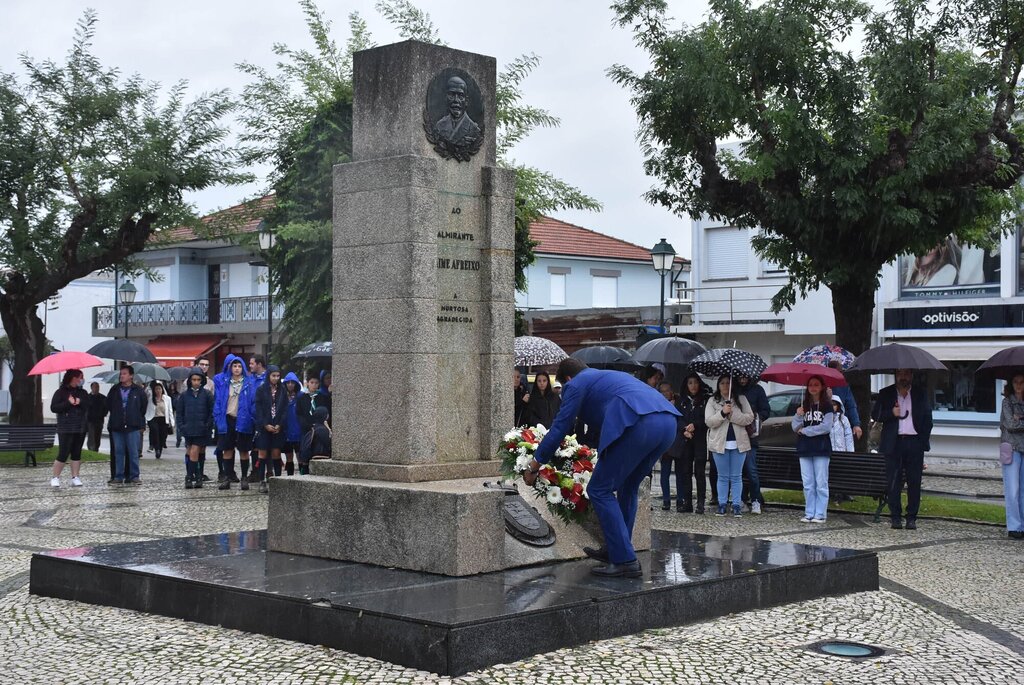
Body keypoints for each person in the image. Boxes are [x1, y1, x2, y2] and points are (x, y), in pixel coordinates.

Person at [522, 358, 680, 578]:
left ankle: (625, 560)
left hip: (639, 424)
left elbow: (560, 427)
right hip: (668, 423)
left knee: (599, 489)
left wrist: (535, 464)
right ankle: (617, 549)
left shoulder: (575, 385)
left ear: (567, 379)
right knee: (628, 486)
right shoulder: (604, 377)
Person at [872, 369, 934, 530]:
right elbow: (876, 414)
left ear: (911, 376)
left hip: (914, 442)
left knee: (914, 482)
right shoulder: (886, 393)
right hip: (894, 443)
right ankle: (896, 517)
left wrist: (922, 441)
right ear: (895, 375)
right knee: (894, 481)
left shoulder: (920, 394)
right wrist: (891, 413)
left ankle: (911, 517)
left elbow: (928, 418)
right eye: (900, 374)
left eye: (906, 374)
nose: (903, 377)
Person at [705, 376, 755, 517]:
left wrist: (733, 414)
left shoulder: (741, 399)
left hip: (739, 443)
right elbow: (709, 421)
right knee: (722, 476)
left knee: (736, 476)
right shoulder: (712, 401)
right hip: (720, 443)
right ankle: (722, 504)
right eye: (722, 383)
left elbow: (749, 418)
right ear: (718, 385)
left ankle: (736, 504)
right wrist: (722, 413)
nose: (725, 385)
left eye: (728, 383)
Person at [792, 376, 834, 523]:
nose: (813, 388)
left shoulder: (827, 406)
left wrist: (806, 431)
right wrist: (798, 416)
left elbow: (826, 427)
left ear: (822, 387)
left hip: (821, 448)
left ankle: (820, 514)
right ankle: (809, 512)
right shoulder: (803, 405)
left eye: (816, 385)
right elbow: (795, 427)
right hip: (804, 448)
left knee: (821, 482)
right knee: (808, 483)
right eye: (810, 385)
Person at [213, 354, 256, 491]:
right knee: (227, 449)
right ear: (230, 368)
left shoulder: (249, 383)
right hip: (228, 418)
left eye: (239, 366)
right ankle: (227, 477)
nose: (237, 369)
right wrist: (217, 416)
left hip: (243, 419)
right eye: (234, 366)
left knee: (244, 450)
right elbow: (218, 401)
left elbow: (253, 402)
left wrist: (252, 417)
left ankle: (244, 477)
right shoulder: (224, 382)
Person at [106, 365, 147, 485]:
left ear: (131, 376)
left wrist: (138, 421)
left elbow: (142, 408)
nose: (122, 376)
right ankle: (118, 476)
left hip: (132, 426)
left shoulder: (138, 390)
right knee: (118, 452)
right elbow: (108, 404)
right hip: (117, 426)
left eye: (124, 374)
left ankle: (134, 475)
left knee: (133, 452)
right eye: (121, 374)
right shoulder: (115, 389)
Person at [50, 370, 89, 487]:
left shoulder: (83, 392)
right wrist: (68, 403)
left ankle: (75, 476)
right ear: (73, 378)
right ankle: (55, 477)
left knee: (77, 453)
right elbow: (54, 407)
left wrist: (80, 401)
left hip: (80, 426)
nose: (81, 380)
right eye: (80, 377)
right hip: (65, 427)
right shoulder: (60, 392)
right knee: (63, 452)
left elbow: (88, 405)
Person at [677, 373, 710, 513]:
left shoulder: (705, 400)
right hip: (686, 439)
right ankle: (687, 502)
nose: (693, 386)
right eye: (690, 383)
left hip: (700, 439)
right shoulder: (682, 400)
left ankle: (700, 503)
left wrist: (695, 425)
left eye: (695, 382)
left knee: (700, 472)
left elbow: (707, 419)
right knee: (685, 472)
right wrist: (684, 429)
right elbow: (677, 418)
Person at [253, 365, 289, 494]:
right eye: (273, 376)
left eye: (278, 376)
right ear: (268, 375)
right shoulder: (261, 390)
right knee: (262, 454)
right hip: (264, 427)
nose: (275, 378)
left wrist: (280, 424)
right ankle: (262, 481)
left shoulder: (282, 390)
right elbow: (258, 409)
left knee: (276, 453)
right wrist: (265, 424)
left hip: (277, 427)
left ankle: (277, 481)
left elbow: (285, 409)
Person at [737, 375, 769, 515]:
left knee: (751, 471)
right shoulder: (734, 390)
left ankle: (755, 499)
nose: (742, 380)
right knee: (738, 472)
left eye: (745, 377)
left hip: (750, 436)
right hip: (736, 435)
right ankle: (741, 499)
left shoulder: (757, 390)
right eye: (740, 377)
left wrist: (755, 416)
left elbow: (766, 411)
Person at [178, 368, 214, 489]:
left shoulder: (207, 394)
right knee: (190, 451)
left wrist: (207, 425)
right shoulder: (184, 396)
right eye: (194, 379)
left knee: (196, 450)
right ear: (190, 380)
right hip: (188, 428)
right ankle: (196, 475)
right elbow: (180, 413)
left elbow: (211, 412)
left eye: (198, 379)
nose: (196, 382)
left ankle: (191, 476)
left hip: (201, 428)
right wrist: (181, 427)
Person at [999, 374, 1024, 539]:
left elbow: (1017, 423)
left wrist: (1020, 418)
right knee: (1013, 489)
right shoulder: (1007, 402)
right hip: (1011, 448)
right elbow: (1011, 424)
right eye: (1015, 382)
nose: (1018, 386)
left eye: (1022, 382)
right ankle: (1014, 526)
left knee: (1023, 490)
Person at [657, 381, 687, 511]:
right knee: (665, 472)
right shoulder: (657, 403)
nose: (665, 394)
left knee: (680, 473)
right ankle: (666, 500)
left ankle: (680, 499)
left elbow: (682, 420)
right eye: (662, 391)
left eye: (667, 390)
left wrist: (674, 409)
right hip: (665, 441)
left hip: (678, 440)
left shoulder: (680, 403)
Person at [432, 76, 481, 146]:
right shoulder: (439, 126)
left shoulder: (474, 129)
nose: (456, 100)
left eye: (460, 95)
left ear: (466, 101)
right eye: (451, 95)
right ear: (445, 98)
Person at [827, 361, 863, 443]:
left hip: (841, 426)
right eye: (839, 372)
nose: (841, 374)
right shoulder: (821, 386)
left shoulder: (844, 386)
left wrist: (856, 424)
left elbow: (851, 406)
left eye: (841, 372)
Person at [145, 382, 174, 460]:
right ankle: (157, 449)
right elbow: (147, 409)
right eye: (156, 389)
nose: (158, 391)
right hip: (153, 418)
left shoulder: (167, 399)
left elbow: (170, 410)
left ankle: (160, 449)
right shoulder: (151, 398)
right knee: (155, 432)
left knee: (162, 435)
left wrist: (172, 422)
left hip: (163, 419)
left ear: (162, 390)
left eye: (159, 389)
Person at [298, 406, 332, 473]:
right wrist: (329, 430)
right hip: (320, 459)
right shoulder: (322, 429)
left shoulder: (313, 428)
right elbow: (329, 444)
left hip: (308, 461)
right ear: (326, 416)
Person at [282, 372, 303, 476]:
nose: (290, 384)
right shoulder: (282, 397)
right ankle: (289, 477)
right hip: (286, 431)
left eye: (292, 382)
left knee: (300, 456)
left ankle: (303, 477)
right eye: (288, 382)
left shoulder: (301, 396)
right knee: (288, 456)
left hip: (298, 431)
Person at [85, 381, 108, 454]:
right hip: (90, 420)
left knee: (97, 435)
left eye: (97, 387)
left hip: (99, 420)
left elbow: (106, 408)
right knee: (91, 435)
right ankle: (91, 449)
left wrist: (103, 414)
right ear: (91, 388)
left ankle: (96, 449)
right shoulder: (88, 397)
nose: (96, 389)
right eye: (95, 387)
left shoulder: (103, 397)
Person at [168, 381, 183, 448]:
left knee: (178, 426)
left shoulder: (178, 394)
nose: (172, 387)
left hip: (176, 409)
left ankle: (178, 439)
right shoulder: (168, 393)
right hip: (170, 408)